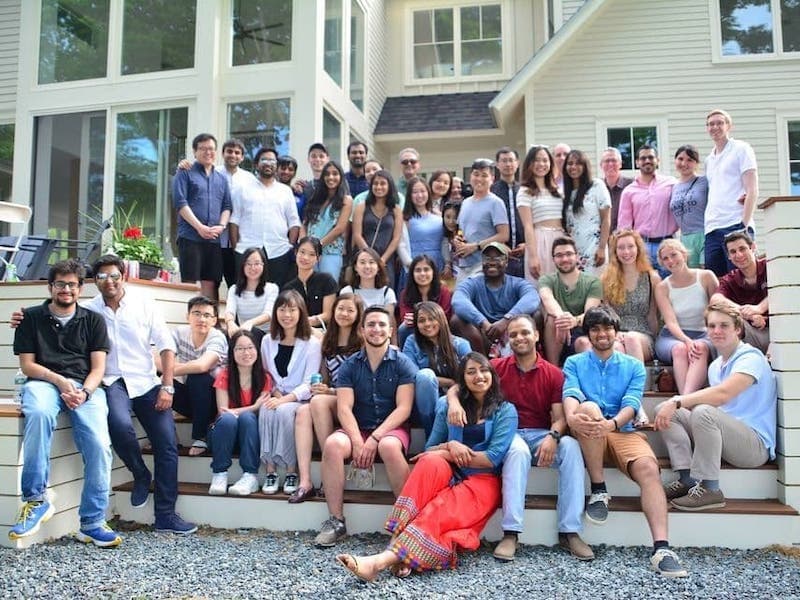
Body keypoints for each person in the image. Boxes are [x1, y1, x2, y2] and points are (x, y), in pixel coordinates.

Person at [334, 352, 517, 581]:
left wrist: (451, 451)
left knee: (438, 509)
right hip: (451, 471)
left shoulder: (505, 411)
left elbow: (492, 458)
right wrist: (451, 445)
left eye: (483, 370)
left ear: (492, 376)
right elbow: (429, 449)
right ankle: (399, 548)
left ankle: (378, 562)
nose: (479, 376)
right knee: (429, 461)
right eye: (471, 372)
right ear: (462, 379)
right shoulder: (450, 408)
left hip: (483, 480)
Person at [446, 315, 592, 561]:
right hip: (507, 433)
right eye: (513, 335)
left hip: (541, 433)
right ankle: (511, 532)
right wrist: (452, 402)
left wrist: (553, 437)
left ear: (536, 335)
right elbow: (460, 386)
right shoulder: (498, 368)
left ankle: (571, 531)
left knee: (571, 446)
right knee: (517, 451)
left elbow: (559, 416)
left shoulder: (553, 374)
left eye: (524, 332)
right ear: (507, 340)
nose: (519, 338)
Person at [562, 305, 688, 578]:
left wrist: (614, 424)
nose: (602, 334)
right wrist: (571, 416)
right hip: (589, 429)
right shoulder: (574, 362)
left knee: (649, 469)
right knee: (589, 409)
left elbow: (632, 402)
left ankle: (662, 548)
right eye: (595, 329)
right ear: (589, 335)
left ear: (616, 332)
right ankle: (599, 489)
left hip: (622, 429)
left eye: (607, 328)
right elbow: (571, 392)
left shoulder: (633, 365)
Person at [10, 260, 121, 546]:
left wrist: (83, 392)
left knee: (99, 443)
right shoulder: (30, 317)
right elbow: (28, 365)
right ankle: (36, 500)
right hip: (43, 382)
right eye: (60, 284)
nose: (66, 289)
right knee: (39, 413)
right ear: (50, 287)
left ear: (80, 288)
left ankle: (92, 522)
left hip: (86, 387)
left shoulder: (93, 320)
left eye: (72, 284)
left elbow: (98, 368)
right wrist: (59, 382)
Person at [87, 256, 195, 535]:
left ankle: (166, 515)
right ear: (95, 281)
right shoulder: (88, 311)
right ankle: (139, 472)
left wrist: (168, 386)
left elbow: (166, 346)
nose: (108, 281)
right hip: (113, 382)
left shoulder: (144, 304)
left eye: (113, 275)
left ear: (123, 276)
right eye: (101, 277)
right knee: (119, 425)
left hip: (147, 382)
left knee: (167, 444)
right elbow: (56, 315)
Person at [654, 302, 776, 511]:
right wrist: (673, 405)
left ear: (738, 329)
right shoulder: (715, 366)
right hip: (727, 437)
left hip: (753, 446)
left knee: (701, 411)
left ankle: (711, 489)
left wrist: (678, 400)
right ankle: (687, 479)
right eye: (712, 326)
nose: (717, 331)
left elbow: (723, 395)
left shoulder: (751, 358)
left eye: (724, 325)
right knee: (664, 410)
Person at [314, 306, 417, 547]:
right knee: (333, 444)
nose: (376, 329)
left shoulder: (403, 363)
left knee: (390, 447)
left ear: (391, 330)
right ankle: (336, 521)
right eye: (371, 324)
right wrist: (359, 441)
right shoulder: (350, 365)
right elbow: (343, 408)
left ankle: (406, 522)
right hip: (358, 427)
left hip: (391, 428)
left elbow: (403, 409)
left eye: (382, 324)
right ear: (362, 330)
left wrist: (375, 439)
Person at [292, 293, 364, 503]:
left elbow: (361, 385)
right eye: (341, 309)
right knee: (303, 411)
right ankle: (305, 481)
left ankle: (328, 469)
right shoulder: (327, 341)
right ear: (333, 311)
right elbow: (324, 377)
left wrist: (330, 392)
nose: (344, 314)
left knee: (317, 401)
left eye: (350, 310)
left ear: (358, 314)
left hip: (354, 401)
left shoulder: (362, 343)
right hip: (332, 399)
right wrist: (322, 387)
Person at [258, 290, 322, 495]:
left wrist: (285, 399)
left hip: (300, 398)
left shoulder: (312, 342)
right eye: (282, 309)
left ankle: (291, 470)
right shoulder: (268, 340)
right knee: (266, 410)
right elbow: (266, 373)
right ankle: (270, 470)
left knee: (285, 412)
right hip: (277, 395)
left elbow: (308, 383)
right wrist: (276, 395)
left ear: (301, 312)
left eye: (292, 309)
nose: (287, 314)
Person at [208, 330, 272, 496]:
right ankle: (219, 474)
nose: (246, 353)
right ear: (232, 352)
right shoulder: (225, 375)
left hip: (249, 439)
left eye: (250, 348)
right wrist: (253, 407)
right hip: (224, 435)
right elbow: (223, 412)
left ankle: (250, 476)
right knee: (229, 419)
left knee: (248, 418)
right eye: (240, 349)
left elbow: (257, 412)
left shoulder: (264, 378)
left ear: (257, 351)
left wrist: (247, 411)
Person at [229, 146, 301, 288]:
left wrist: (289, 246)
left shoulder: (285, 191)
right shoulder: (242, 188)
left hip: (278, 251)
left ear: (276, 166)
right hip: (246, 249)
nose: (268, 164)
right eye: (264, 160)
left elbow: (294, 222)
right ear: (256, 164)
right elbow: (234, 220)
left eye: (272, 161)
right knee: (246, 291)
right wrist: (236, 246)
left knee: (276, 294)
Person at [172, 133, 232, 300]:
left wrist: (221, 226)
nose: (208, 152)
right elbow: (180, 203)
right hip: (190, 237)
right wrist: (199, 227)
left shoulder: (221, 178)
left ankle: (210, 321)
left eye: (211, 149)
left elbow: (227, 206)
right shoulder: (184, 173)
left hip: (213, 240)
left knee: (211, 282)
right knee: (190, 283)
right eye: (203, 149)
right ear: (194, 151)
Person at [450, 242, 539, 355]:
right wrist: (482, 322)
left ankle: (532, 357)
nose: (492, 262)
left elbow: (532, 298)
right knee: (456, 320)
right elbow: (458, 301)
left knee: (537, 315)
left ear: (506, 262)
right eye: (487, 258)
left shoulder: (517, 283)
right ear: (482, 262)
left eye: (498, 258)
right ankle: (482, 363)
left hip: (512, 333)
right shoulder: (472, 283)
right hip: (483, 334)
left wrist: (507, 320)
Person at [654, 239, 719, 394]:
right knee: (680, 350)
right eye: (665, 258)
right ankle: (685, 401)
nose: (670, 261)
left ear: (684, 254)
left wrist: (696, 340)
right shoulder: (662, 287)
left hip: (703, 334)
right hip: (672, 336)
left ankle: (685, 400)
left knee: (699, 348)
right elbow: (671, 321)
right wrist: (686, 340)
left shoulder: (706, 277)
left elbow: (717, 309)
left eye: (673, 255)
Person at [587, 230, 660, 363]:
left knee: (631, 338)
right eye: (621, 248)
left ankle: (638, 383)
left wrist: (656, 340)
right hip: (616, 334)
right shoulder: (606, 279)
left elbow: (652, 315)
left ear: (638, 248)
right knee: (615, 349)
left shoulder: (652, 278)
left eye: (631, 246)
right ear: (615, 252)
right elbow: (607, 314)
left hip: (642, 335)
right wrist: (614, 333)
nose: (626, 252)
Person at [169, 296, 228, 457]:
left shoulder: (217, 337)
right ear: (187, 316)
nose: (202, 319)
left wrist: (170, 371)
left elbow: (203, 365)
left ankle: (200, 436)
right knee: (153, 378)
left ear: (215, 320)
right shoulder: (179, 333)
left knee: (199, 376)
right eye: (196, 313)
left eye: (207, 315)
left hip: (215, 403)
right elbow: (156, 359)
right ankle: (168, 434)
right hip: (193, 399)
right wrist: (167, 373)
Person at [704, 109, 759, 276]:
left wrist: (744, 224)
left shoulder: (741, 149)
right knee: (718, 282)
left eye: (720, 123)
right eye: (711, 124)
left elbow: (752, 189)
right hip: (712, 228)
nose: (715, 127)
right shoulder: (709, 160)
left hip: (735, 223)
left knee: (741, 277)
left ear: (729, 126)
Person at [403, 301, 471, 436]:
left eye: (432, 318)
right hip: (423, 405)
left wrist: (452, 391)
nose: (427, 324)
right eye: (421, 320)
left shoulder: (461, 344)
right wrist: (450, 382)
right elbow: (411, 375)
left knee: (442, 402)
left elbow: (469, 376)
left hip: (457, 399)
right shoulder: (412, 342)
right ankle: (433, 435)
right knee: (425, 376)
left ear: (441, 319)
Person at [538, 237, 602, 366]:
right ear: (553, 259)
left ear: (577, 256)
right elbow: (547, 299)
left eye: (569, 254)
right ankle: (554, 370)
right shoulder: (546, 280)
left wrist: (573, 321)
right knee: (552, 318)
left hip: (582, 330)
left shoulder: (593, 282)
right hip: (555, 334)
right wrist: (563, 319)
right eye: (559, 255)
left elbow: (590, 313)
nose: (565, 259)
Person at [617, 145, 677, 277]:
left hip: (667, 243)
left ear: (658, 160)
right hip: (642, 246)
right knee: (646, 286)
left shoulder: (671, 184)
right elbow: (624, 226)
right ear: (637, 162)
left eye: (651, 157)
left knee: (670, 284)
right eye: (643, 158)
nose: (647, 161)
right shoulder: (629, 191)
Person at [709, 230, 769, 354]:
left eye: (742, 249)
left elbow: (785, 291)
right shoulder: (730, 279)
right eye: (733, 252)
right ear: (729, 257)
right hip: (750, 332)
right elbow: (715, 300)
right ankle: (726, 370)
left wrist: (759, 308)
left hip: (780, 332)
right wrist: (748, 313)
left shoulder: (770, 266)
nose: (739, 255)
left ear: (752, 247)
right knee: (721, 321)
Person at [453, 158, 510, 281]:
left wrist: (476, 246)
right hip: (463, 265)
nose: (479, 179)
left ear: (492, 179)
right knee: (459, 299)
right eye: (476, 174)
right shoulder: (465, 202)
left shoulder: (496, 203)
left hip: (484, 264)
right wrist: (457, 239)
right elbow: (462, 230)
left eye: (484, 175)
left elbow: (504, 235)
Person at [516, 145, 565, 283]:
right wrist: (533, 256)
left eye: (545, 160)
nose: (541, 164)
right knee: (543, 287)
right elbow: (528, 226)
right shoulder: (525, 191)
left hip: (561, 240)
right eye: (537, 160)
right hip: (540, 241)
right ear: (529, 164)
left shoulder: (558, 190)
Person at [562, 150, 612, 276]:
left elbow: (606, 219)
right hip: (573, 251)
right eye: (570, 163)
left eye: (578, 163)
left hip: (594, 249)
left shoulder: (597, 186)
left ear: (585, 166)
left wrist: (601, 247)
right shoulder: (566, 192)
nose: (573, 167)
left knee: (595, 288)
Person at [302, 160, 353, 282]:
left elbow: (340, 228)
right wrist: (303, 245)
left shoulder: (346, 200)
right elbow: (304, 224)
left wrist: (317, 246)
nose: (331, 177)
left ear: (341, 177)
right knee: (309, 289)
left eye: (335, 174)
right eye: (327, 174)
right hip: (308, 253)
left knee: (327, 290)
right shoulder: (316, 198)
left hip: (331, 253)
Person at [351, 169, 404, 288]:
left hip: (386, 260)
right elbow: (357, 234)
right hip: (363, 257)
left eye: (383, 183)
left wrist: (381, 260)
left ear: (389, 186)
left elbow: (396, 238)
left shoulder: (396, 209)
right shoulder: (361, 207)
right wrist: (369, 257)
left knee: (385, 291)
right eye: (375, 183)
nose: (379, 187)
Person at [224, 247, 279, 347]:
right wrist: (230, 323)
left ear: (263, 265)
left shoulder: (272, 288)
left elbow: (268, 314)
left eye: (257, 263)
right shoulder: (234, 289)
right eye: (248, 264)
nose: (252, 267)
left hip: (265, 336)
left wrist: (250, 323)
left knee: (251, 333)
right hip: (244, 334)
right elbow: (229, 311)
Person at [282, 236, 338, 331]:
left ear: (318, 258)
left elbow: (328, 314)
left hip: (322, 332)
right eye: (302, 252)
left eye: (311, 254)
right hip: (296, 331)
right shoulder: (288, 288)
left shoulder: (326, 280)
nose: (305, 257)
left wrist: (306, 322)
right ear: (296, 253)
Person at [397, 254, 452, 349]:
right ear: (412, 274)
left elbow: (445, 315)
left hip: (439, 327)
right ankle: (405, 356)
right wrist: (419, 321)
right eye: (418, 270)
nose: (422, 274)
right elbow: (405, 317)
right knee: (403, 328)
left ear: (433, 272)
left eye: (426, 270)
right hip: (416, 327)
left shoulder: (443, 291)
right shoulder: (405, 293)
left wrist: (426, 319)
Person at [670, 145, 708, 268]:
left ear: (696, 163)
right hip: (684, 238)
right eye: (680, 159)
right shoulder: (674, 187)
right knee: (692, 278)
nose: (684, 163)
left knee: (705, 273)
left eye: (689, 160)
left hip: (703, 235)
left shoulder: (705, 181)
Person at [398, 176, 444, 275]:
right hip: (415, 266)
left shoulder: (439, 216)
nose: (419, 195)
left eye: (423, 191)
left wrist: (448, 263)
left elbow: (445, 241)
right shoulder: (404, 218)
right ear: (409, 195)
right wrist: (410, 265)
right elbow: (401, 245)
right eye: (415, 192)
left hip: (438, 264)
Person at [492, 147, 525, 278]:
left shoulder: (525, 190)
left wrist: (527, 244)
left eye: (511, 160)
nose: (508, 164)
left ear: (517, 163)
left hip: (524, 253)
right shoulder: (492, 192)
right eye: (504, 161)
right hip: (499, 254)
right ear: (497, 165)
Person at [340, 247, 397, 314]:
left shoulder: (387, 293)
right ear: (355, 267)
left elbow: (388, 320)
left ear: (378, 267)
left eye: (371, 262)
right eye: (362, 262)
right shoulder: (347, 291)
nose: (367, 266)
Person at [600, 147, 633, 232]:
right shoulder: (597, 187)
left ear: (620, 164)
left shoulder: (631, 185)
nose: (610, 164)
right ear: (601, 165)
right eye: (607, 161)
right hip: (602, 240)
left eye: (614, 160)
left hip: (625, 239)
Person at [276, 155, 305, 219]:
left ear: (294, 173)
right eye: (283, 168)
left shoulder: (299, 194)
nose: (286, 172)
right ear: (276, 170)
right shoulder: (269, 192)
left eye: (290, 169)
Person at [441, 200, 461, 282]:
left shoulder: (463, 236)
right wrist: (448, 264)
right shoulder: (446, 236)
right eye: (448, 217)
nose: (451, 222)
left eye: (455, 218)